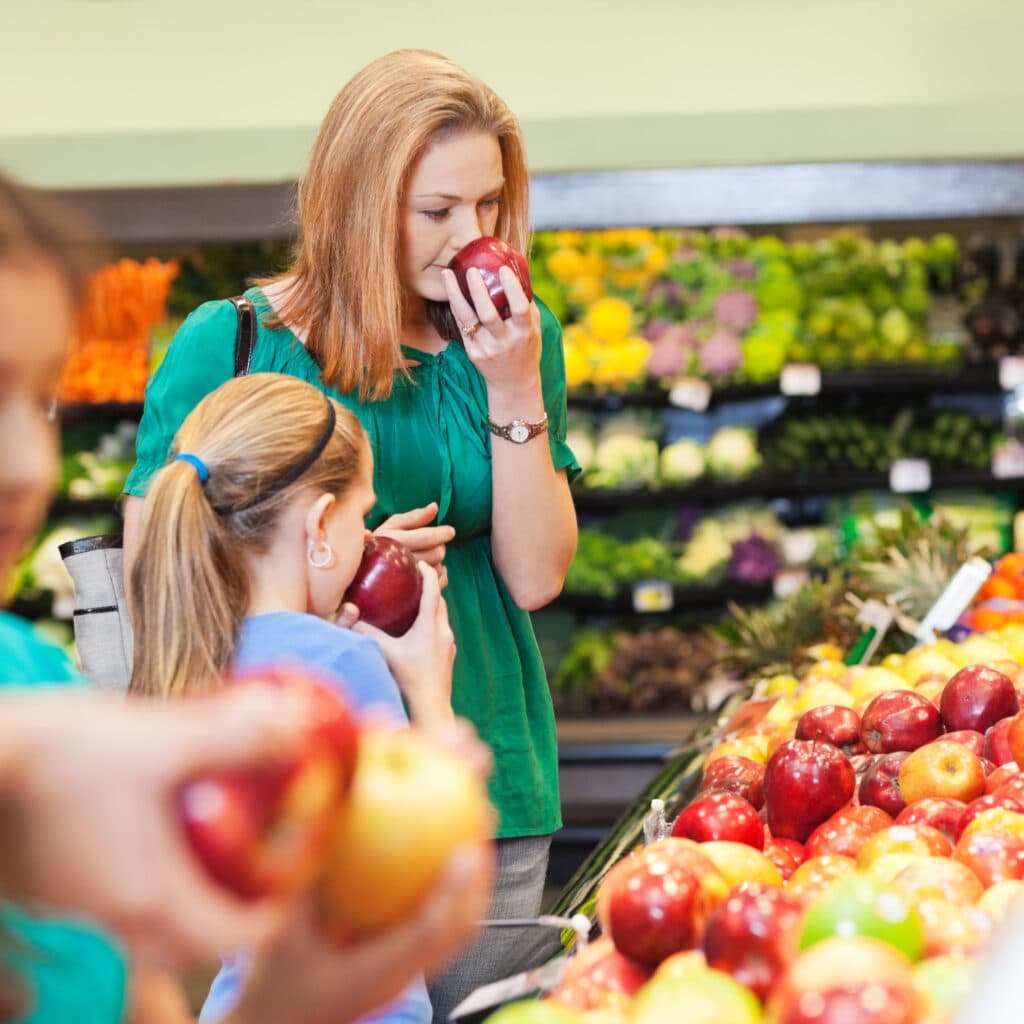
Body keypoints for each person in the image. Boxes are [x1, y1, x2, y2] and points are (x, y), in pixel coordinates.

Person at [121, 48, 580, 1018]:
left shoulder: (511, 335)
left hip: (482, 775)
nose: (473, 237)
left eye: (489, 206)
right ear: (358, 199)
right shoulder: (232, 342)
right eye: (438, 211)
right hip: (285, 804)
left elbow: (535, 576)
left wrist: (511, 387)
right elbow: (155, 573)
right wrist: (340, 572)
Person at [0, 170, 493, 1023]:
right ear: (318, 526)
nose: (27, 467)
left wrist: (291, 997)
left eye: (37, 396)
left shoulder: (36, 680)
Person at [128, 371, 459, 1023]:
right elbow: (426, 870)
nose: (369, 540)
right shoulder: (344, 661)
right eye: (362, 516)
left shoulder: (194, 657)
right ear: (319, 522)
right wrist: (429, 685)